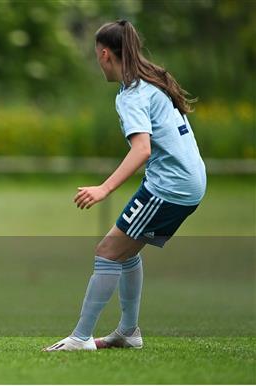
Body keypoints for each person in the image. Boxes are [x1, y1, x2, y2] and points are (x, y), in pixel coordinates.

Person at [44, 20, 206, 351]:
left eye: (96, 56)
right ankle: (128, 333)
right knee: (125, 252)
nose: (97, 61)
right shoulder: (151, 80)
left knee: (107, 251)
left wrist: (104, 189)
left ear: (105, 54)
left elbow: (142, 149)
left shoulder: (132, 94)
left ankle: (80, 338)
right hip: (185, 181)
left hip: (170, 187)